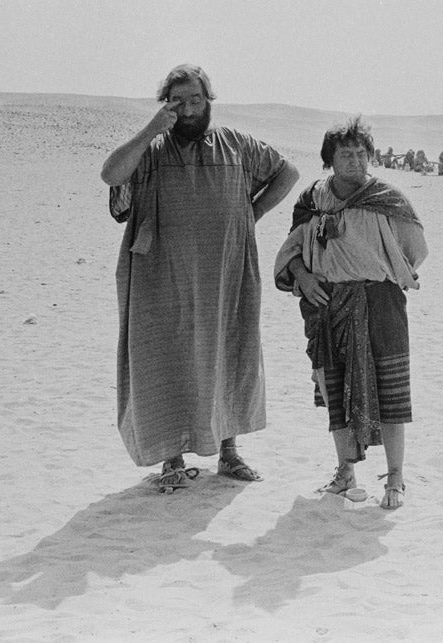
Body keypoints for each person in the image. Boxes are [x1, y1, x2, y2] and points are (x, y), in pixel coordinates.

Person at [101, 64, 299, 493]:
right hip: (160, 275)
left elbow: (288, 174)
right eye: (178, 101)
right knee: (164, 357)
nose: (189, 110)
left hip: (225, 273)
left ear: (209, 100)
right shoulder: (150, 150)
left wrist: (254, 213)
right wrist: (150, 130)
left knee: (228, 350)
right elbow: (111, 174)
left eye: (196, 100)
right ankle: (172, 458)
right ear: (166, 105)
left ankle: (229, 453)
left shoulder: (237, 144)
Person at [274, 116, 428, 509]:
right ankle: (345, 472)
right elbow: (291, 253)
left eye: (362, 153)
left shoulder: (388, 200)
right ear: (330, 159)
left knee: (391, 392)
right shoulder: (312, 201)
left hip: (382, 305)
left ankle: (395, 477)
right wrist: (304, 278)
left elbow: (415, 252)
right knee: (335, 389)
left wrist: (379, 270)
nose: (356, 161)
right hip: (328, 306)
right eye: (346, 154)